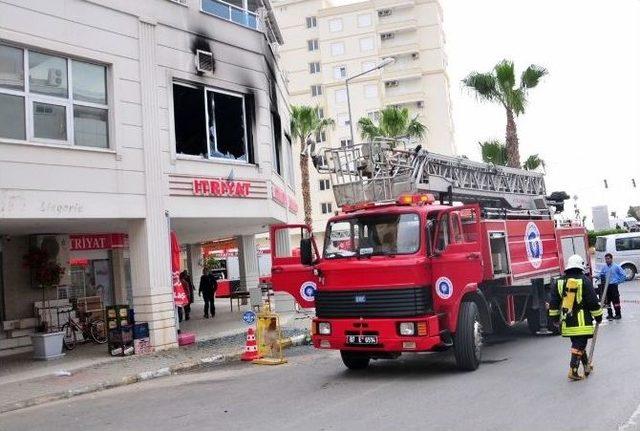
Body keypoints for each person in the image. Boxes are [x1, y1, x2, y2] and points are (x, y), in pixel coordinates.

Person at [549, 254, 603, 381]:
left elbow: (554, 302)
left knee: (578, 343)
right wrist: (599, 316)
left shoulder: (559, 281)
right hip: (582, 320)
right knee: (579, 344)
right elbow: (592, 302)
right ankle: (573, 370)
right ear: (580, 266)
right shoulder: (584, 280)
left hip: (567, 320)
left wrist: (555, 318)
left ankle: (586, 365)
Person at [598, 253, 627, 320]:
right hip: (606, 286)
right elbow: (601, 274)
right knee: (607, 301)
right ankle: (610, 314)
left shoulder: (616, 267)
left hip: (613, 286)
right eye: (606, 259)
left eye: (608, 259)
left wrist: (618, 282)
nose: (607, 260)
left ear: (611, 259)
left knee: (616, 301)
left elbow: (623, 275)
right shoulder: (604, 267)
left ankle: (618, 314)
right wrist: (597, 277)